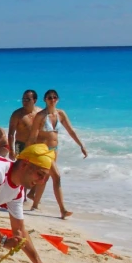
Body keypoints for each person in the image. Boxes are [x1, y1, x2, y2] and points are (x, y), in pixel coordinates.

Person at [27, 89, 87, 219]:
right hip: (42, 150)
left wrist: (81, 145)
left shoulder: (61, 114)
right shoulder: (41, 116)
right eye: (49, 97)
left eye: (54, 97)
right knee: (57, 177)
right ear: (45, 100)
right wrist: (27, 154)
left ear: (58, 99)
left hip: (54, 150)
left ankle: (35, 205)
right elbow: (32, 136)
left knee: (45, 177)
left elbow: (71, 131)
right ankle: (63, 210)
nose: (52, 99)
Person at [6, 89, 40, 156]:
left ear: (34, 100)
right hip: (21, 145)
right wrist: (11, 150)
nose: (24, 102)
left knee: (36, 166)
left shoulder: (40, 113)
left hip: (36, 145)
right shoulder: (17, 114)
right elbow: (11, 134)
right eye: (23, 99)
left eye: (27, 99)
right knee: (21, 166)